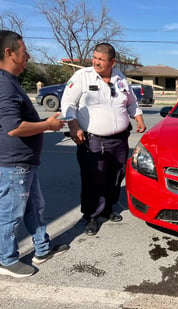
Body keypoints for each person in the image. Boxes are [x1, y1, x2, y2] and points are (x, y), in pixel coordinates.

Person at [0, 30, 69, 278]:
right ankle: (6, 260)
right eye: (23, 50)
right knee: (11, 214)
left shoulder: (11, 82)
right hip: (14, 164)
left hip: (26, 163)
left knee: (34, 208)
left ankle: (42, 248)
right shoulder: (3, 84)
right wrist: (47, 126)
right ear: (9, 53)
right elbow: (13, 128)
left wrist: (44, 122)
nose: (27, 55)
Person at [61, 43, 146, 236]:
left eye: (101, 59)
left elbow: (131, 102)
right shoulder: (82, 76)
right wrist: (73, 126)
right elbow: (68, 103)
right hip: (93, 139)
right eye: (95, 57)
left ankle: (108, 208)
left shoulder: (120, 77)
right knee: (93, 178)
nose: (96, 62)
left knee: (116, 175)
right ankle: (91, 216)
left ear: (112, 62)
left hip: (120, 139)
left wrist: (139, 118)